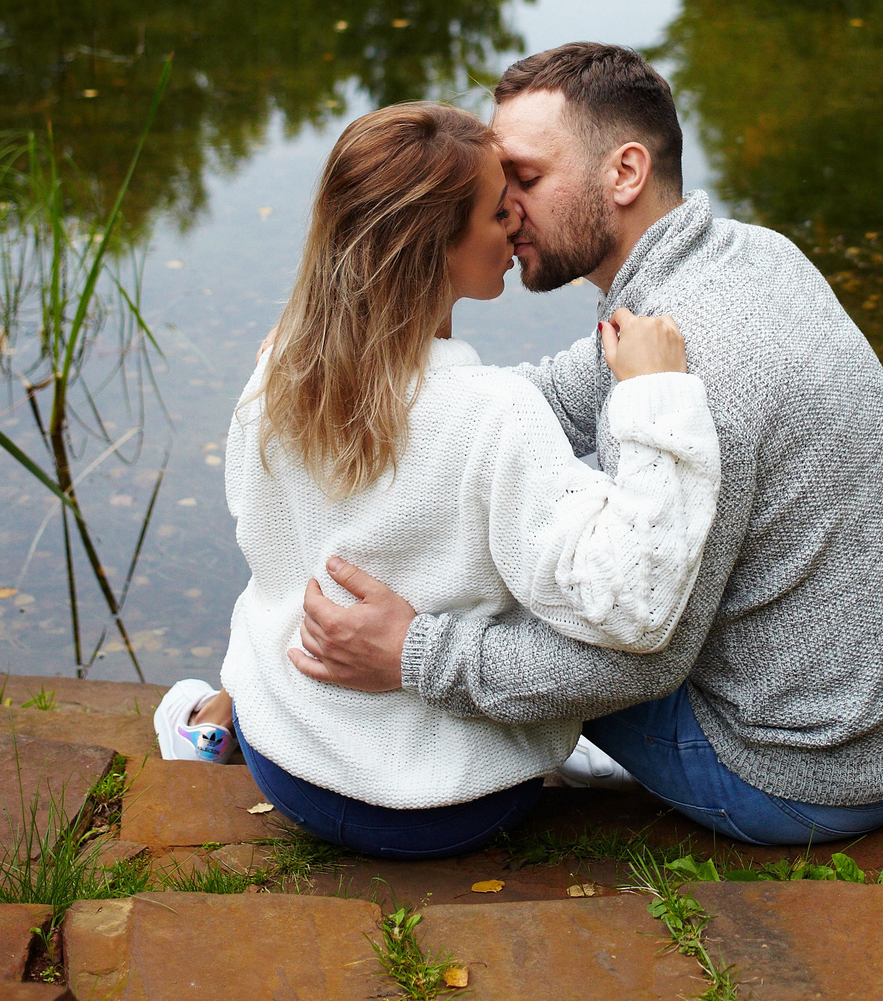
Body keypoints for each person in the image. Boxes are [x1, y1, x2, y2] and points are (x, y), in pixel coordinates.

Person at [289, 44, 883, 847]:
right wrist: (368, 390)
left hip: (807, 772)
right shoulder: (742, 257)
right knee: (519, 514)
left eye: (526, 178)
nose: (504, 209)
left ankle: (295, 719)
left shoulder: (699, 372)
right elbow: (540, 402)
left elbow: (637, 658)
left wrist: (413, 652)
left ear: (623, 172)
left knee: (506, 580)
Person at [152, 101, 721, 861]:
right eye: (496, 212)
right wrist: (655, 399)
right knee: (539, 570)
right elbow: (630, 603)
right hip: (457, 809)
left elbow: (258, 530)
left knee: (287, 572)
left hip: (292, 771)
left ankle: (211, 725)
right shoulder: (497, 416)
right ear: (437, 250)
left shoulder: (278, 373)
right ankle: (562, 751)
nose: (516, 223)